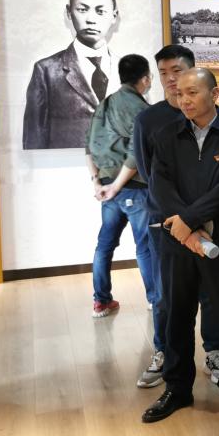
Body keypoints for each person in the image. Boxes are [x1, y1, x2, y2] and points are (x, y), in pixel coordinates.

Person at [141, 68, 219, 424]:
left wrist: (189, 220)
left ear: (214, 94)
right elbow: (159, 185)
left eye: (193, 92)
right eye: (180, 93)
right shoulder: (166, 134)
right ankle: (177, 388)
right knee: (176, 314)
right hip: (177, 243)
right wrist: (186, 231)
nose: (185, 99)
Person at [131, 46, 219, 389]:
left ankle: (214, 352)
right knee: (165, 296)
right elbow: (149, 174)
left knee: (212, 293)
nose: (171, 79)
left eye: (177, 70)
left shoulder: (213, 116)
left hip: (209, 222)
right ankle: (165, 353)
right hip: (166, 224)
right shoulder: (148, 120)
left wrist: (197, 218)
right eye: (164, 72)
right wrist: (182, 221)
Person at [84, 54, 154, 319]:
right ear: (145, 79)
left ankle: (101, 301)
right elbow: (137, 153)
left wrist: (98, 182)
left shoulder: (104, 104)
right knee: (145, 246)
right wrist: (116, 186)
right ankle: (155, 299)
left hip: (106, 186)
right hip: (132, 187)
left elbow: (88, 146)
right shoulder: (141, 109)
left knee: (104, 245)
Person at [24, 0, 120, 149]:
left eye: (100, 11)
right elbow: (34, 140)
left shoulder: (130, 71)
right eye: (82, 9)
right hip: (65, 164)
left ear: (113, 16)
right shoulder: (46, 71)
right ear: (69, 12)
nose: (91, 19)